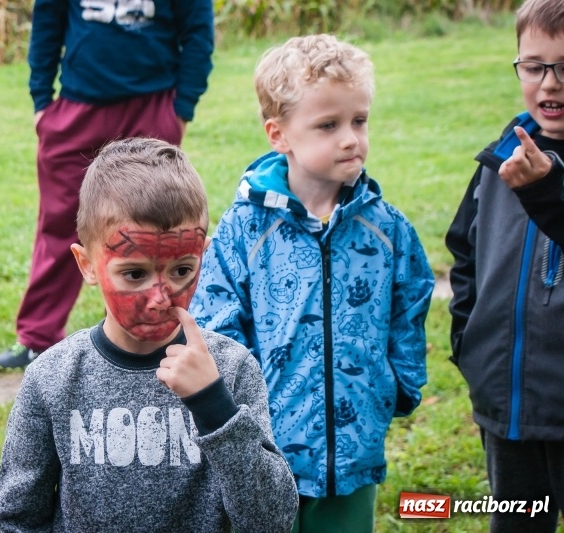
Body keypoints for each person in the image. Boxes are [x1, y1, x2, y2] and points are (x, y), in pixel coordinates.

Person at [188, 35, 435, 533]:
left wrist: (400, 385)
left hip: (355, 449)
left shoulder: (386, 229)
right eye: (329, 125)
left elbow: (411, 303)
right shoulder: (245, 231)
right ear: (279, 134)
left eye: (359, 121)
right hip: (267, 452)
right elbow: (217, 323)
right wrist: (235, 412)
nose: (351, 139)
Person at [0, 138, 298, 532]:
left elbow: (271, 519)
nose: (160, 298)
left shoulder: (231, 370)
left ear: (202, 255)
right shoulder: (52, 379)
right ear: (87, 265)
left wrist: (215, 407)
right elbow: (17, 518)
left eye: (182, 271)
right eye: (134, 274)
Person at [0, 0, 215, 369]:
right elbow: (47, 23)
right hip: (78, 107)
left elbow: (197, 33)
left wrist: (181, 108)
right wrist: (42, 103)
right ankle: (37, 338)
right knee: (59, 222)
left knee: (155, 228)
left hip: (152, 105)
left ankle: (164, 333)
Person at [445, 0, 564, 530]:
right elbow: (464, 254)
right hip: (505, 402)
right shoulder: (499, 161)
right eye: (534, 67)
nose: (550, 85)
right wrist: (468, 341)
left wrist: (547, 191)